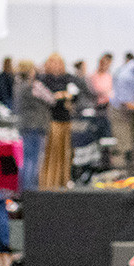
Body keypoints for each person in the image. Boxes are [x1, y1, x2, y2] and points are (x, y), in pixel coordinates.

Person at [38, 54, 79, 189]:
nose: (56, 65)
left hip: (65, 119)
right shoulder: (43, 79)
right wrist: (61, 96)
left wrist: (63, 96)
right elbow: (48, 99)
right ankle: (49, 183)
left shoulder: (68, 78)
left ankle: (64, 181)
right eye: (53, 62)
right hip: (52, 120)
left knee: (66, 152)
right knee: (51, 153)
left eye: (58, 63)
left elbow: (74, 95)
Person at [12, 60, 53, 192]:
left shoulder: (17, 85)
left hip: (24, 125)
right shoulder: (35, 86)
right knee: (34, 161)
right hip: (37, 125)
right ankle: (31, 191)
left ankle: (22, 191)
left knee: (24, 160)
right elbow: (51, 99)